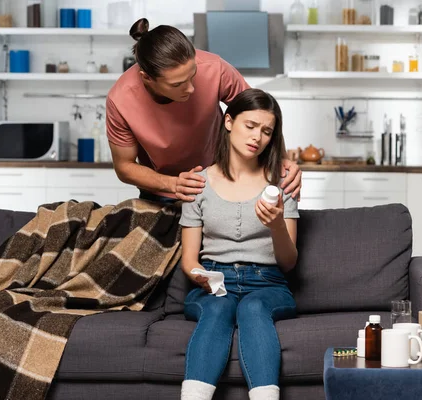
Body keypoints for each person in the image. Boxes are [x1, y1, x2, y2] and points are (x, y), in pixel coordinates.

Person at [178, 88, 298, 400]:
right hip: (215, 283)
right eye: (250, 125)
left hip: (268, 283)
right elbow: (189, 258)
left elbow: (288, 262)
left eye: (266, 131)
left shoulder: (281, 185)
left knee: (254, 307)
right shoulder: (199, 184)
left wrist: (276, 227)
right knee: (218, 309)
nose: (257, 137)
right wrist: (200, 274)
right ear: (229, 122)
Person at [106, 18, 302, 203]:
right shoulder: (120, 100)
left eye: (193, 75)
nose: (191, 88)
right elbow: (124, 166)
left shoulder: (215, 68)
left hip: (220, 178)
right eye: (178, 84)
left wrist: (282, 160)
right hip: (162, 190)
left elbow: (260, 113)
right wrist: (172, 184)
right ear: (147, 78)